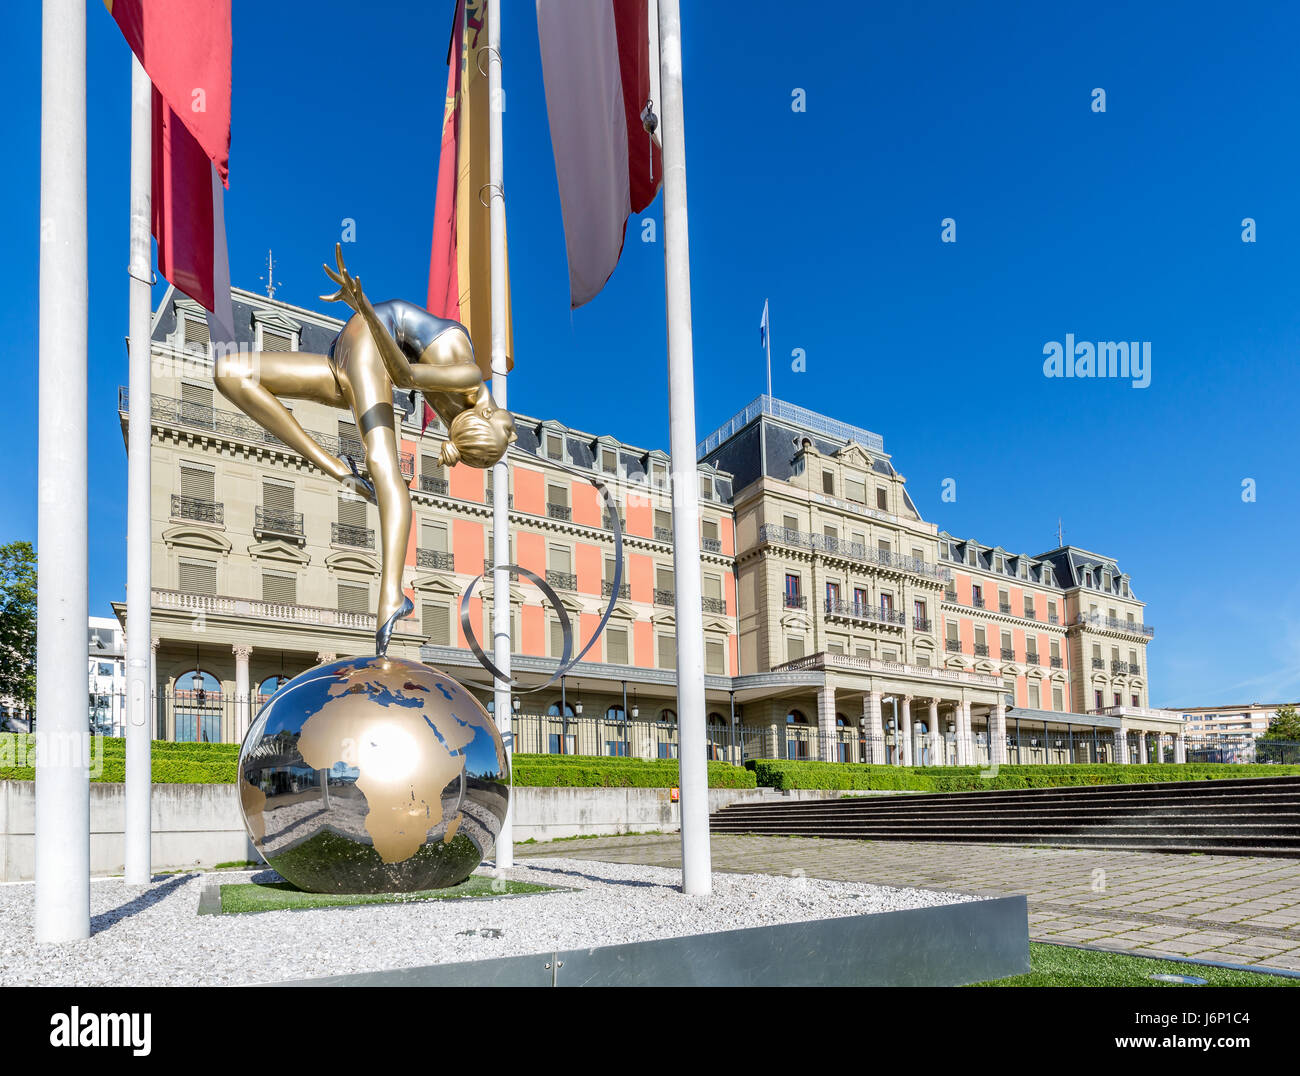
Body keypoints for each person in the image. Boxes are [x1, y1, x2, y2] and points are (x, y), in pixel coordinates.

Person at [215, 245, 516, 655]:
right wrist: (367, 308)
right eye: (508, 434)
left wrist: (366, 315)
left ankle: (335, 468)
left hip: (350, 352)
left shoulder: (471, 410)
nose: (513, 434)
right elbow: (405, 375)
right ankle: (391, 593)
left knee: (231, 371)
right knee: (384, 467)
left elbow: (403, 376)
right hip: (370, 340)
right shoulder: (468, 375)